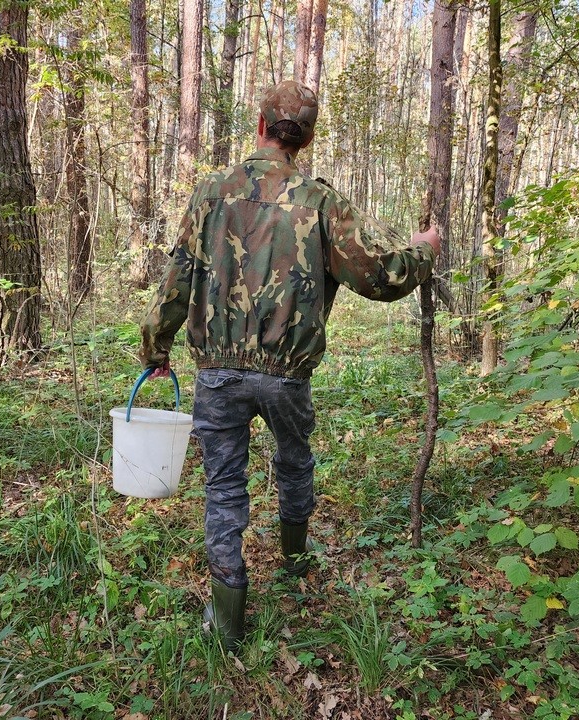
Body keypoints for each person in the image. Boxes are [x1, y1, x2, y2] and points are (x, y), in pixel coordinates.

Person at [139, 80, 441, 652]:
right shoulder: (319, 202)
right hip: (286, 375)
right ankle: (296, 566)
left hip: (218, 375)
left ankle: (228, 622)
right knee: (294, 462)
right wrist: (425, 247)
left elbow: (176, 282)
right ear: (305, 138)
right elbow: (379, 276)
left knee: (224, 487)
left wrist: (156, 348)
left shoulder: (211, 195)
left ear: (260, 125)